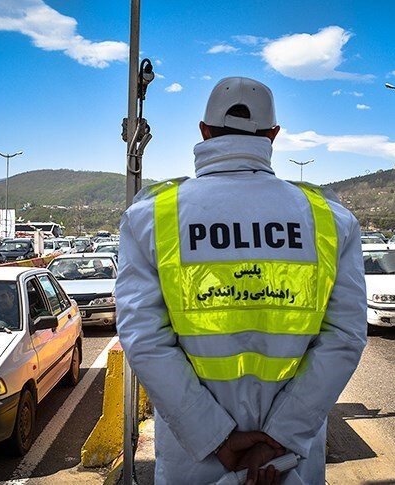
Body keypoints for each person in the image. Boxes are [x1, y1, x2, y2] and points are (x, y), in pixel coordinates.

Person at [116, 77, 367, 484]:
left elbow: (143, 340)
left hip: (194, 462)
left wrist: (214, 436)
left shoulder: (151, 218)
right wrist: (281, 436)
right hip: (285, 463)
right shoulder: (329, 220)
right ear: (273, 135)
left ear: (204, 131)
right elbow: (345, 338)